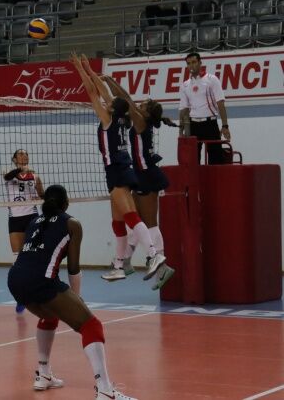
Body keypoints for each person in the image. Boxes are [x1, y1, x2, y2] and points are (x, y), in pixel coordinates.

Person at [7, 185, 136, 399]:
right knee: (91, 325)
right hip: (41, 281)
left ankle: (44, 374)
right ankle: (105, 391)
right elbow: (73, 268)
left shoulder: (34, 222)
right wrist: (76, 298)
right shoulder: (72, 223)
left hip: (15, 280)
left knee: (50, 314)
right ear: (66, 203)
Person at [70, 53, 166, 283]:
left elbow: (93, 93)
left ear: (112, 109)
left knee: (131, 216)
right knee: (118, 221)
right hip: (121, 169)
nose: (106, 102)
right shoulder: (125, 118)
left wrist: (80, 69)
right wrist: (90, 70)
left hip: (117, 170)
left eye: (109, 103)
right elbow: (106, 93)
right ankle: (120, 266)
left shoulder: (108, 119)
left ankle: (153, 255)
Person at [102, 76, 177, 290]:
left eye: (142, 105)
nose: (138, 105)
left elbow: (125, 98)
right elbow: (126, 100)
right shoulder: (142, 120)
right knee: (137, 222)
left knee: (149, 223)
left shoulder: (141, 121)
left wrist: (108, 81)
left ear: (146, 113)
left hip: (146, 175)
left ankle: (161, 267)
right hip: (141, 174)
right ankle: (126, 261)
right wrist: (109, 83)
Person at [4, 149, 45, 312]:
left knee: (34, 256)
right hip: (15, 219)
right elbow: (8, 177)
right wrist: (21, 170)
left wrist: (39, 197)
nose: (24, 156)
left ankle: (38, 292)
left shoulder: (35, 176)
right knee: (18, 260)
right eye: (20, 154)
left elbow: (42, 195)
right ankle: (20, 298)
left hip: (32, 217)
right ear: (14, 159)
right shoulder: (8, 173)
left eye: (26, 154)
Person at [179, 52, 231, 165]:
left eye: (194, 62)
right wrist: (181, 130)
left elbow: (220, 103)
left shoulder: (211, 79)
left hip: (210, 124)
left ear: (200, 63)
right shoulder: (185, 85)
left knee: (216, 160)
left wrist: (225, 126)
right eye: (189, 63)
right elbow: (184, 109)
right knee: (192, 161)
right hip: (193, 125)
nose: (191, 65)